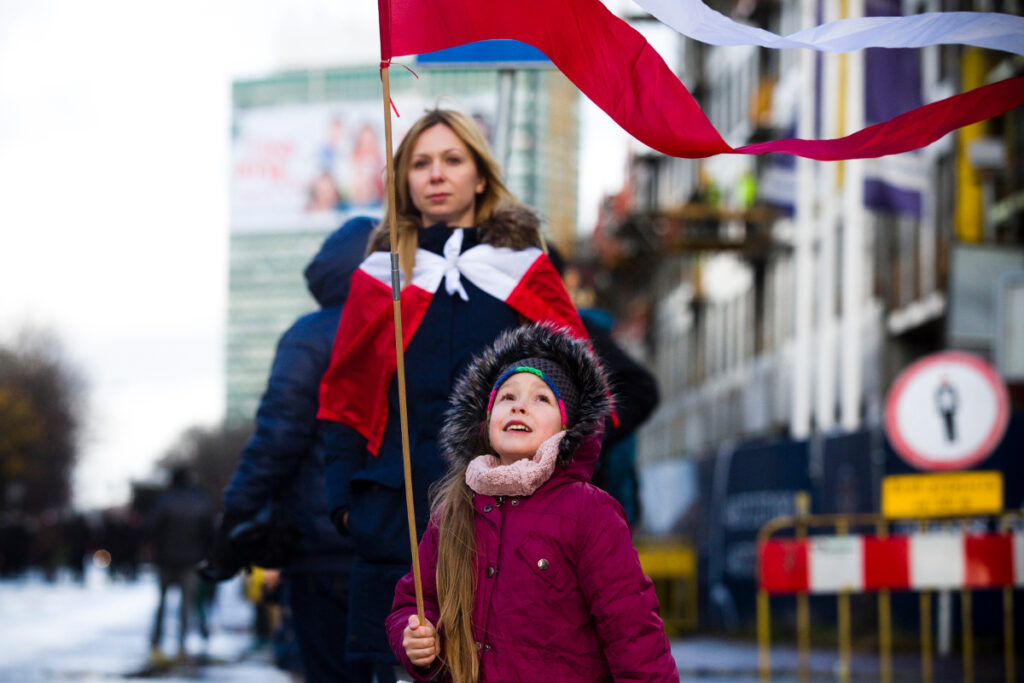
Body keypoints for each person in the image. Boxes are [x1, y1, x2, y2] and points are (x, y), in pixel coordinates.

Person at [317, 109, 588, 678]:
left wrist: (565, 495)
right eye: (420, 163)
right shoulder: (381, 276)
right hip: (393, 516)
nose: (436, 174)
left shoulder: (522, 269)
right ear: (405, 182)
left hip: (508, 521)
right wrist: (345, 504)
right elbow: (344, 398)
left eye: (451, 159)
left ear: (480, 176)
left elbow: (577, 394)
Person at [386, 323, 678, 681]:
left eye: (541, 399)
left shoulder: (588, 512)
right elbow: (413, 602)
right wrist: (416, 638)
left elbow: (633, 633)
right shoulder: (454, 510)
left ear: (567, 428)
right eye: (507, 397)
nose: (520, 407)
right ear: (485, 421)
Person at [204, 217, 376, 682]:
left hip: (323, 545)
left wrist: (238, 512)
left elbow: (278, 437)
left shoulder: (313, 335)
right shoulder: (410, 331)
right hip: (399, 546)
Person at [147, 465, 215, 662]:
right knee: (186, 605)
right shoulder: (201, 501)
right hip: (191, 560)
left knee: (161, 603)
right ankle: (181, 646)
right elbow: (210, 532)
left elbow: (150, 526)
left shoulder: (164, 500)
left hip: (166, 560)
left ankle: (156, 643)